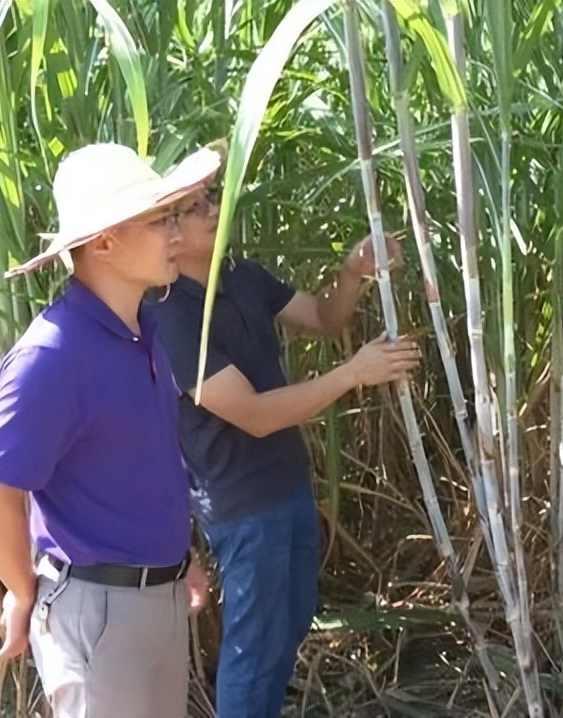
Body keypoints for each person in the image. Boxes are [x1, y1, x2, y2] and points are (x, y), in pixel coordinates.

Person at [0, 142, 221, 718]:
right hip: (96, 614)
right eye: (160, 220)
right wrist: (26, 592)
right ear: (104, 242)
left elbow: (139, 464)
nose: (176, 232)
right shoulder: (54, 356)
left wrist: (180, 556)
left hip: (158, 598)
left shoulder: (142, 330)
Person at [152, 177, 420, 718]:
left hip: (287, 485)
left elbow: (324, 317)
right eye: (194, 206)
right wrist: (353, 374)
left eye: (213, 197)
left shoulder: (244, 277)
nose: (213, 207)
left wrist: (353, 273)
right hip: (241, 504)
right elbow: (251, 415)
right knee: (255, 651)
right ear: (170, 235)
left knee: (290, 622)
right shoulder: (168, 314)